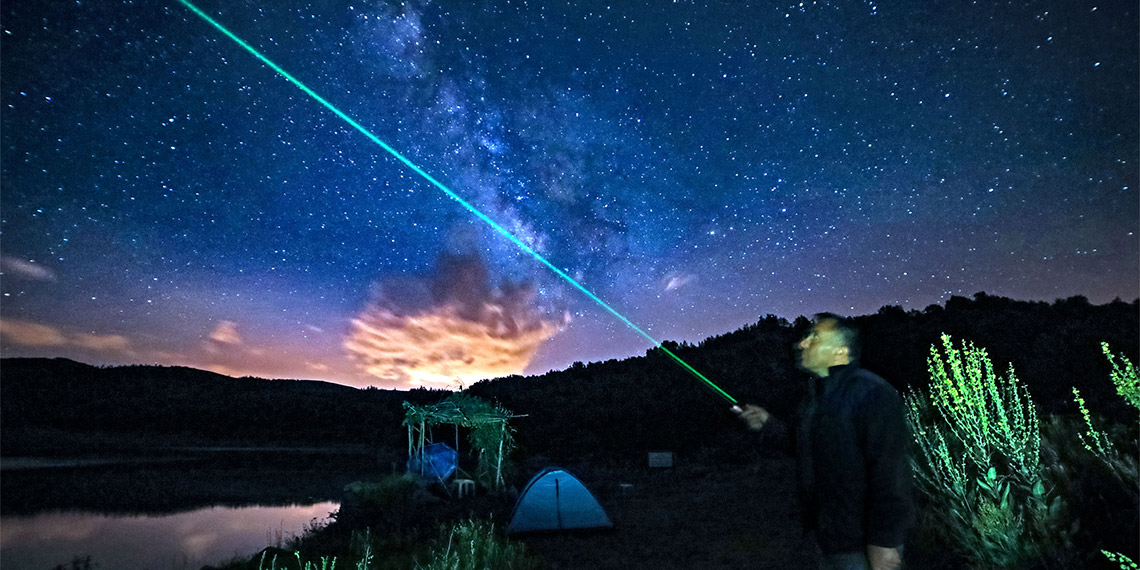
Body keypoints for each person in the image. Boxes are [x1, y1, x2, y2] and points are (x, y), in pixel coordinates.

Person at [736, 313, 913, 570]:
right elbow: (806, 448)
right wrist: (768, 425)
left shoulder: (872, 392)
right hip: (827, 537)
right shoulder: (815, 398)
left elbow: (891, 472)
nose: (802, 344)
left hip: (861, 544)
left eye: (814, 337)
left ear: (841, 351)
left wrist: (885, 542)